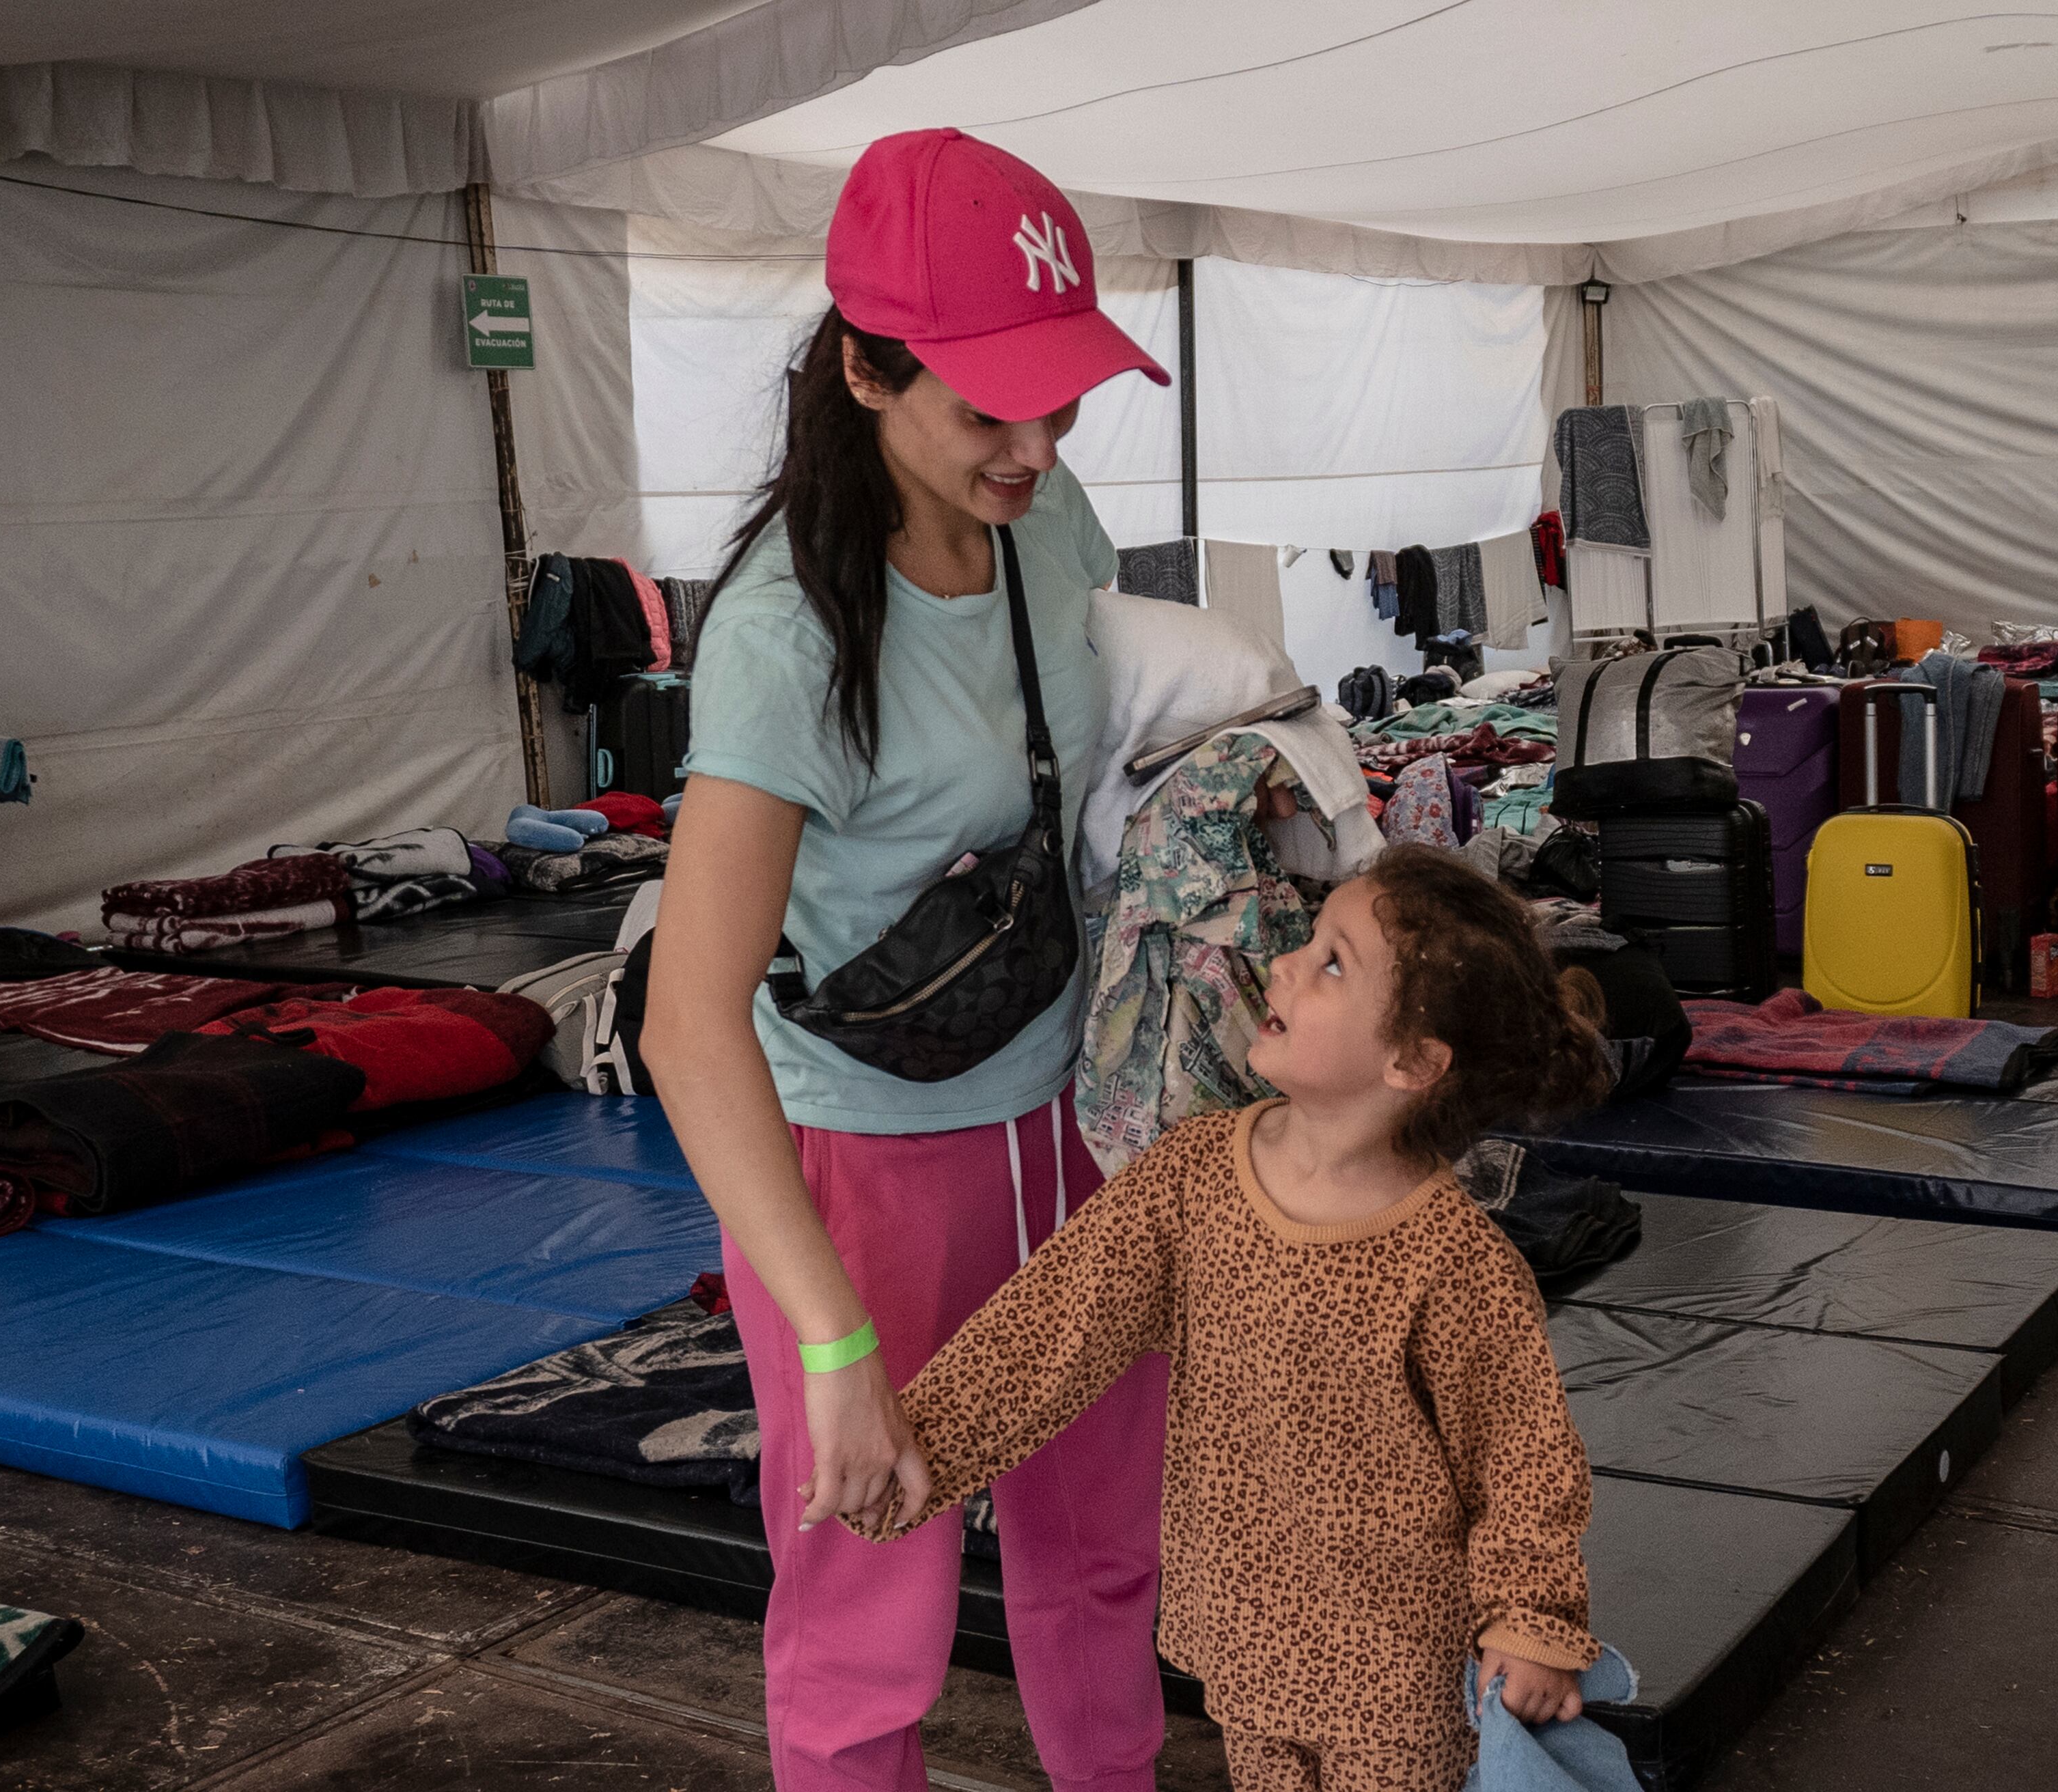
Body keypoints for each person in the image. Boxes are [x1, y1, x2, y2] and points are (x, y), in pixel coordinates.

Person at [645, 128, 1175, 1791]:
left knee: (1103, 1546)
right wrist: (830, 1338)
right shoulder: (782, 636)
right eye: (987, 409)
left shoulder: (1051, 513)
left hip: (1075, 1123)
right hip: (870, 1165)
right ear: (868, 369)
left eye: (1061, 402)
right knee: (872, 1577)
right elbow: (684, 1021)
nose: (1035, 446)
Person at [859, 846, 1613, 1792]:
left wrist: (1531, 1621)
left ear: (1414, 1062)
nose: (1289, 960)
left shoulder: (1456, 1267)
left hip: (1400, 1678)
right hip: (1247, 1652)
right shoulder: (1196, 1175)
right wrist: (914, 1447)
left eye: (1334, 960)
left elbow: (1525, 1461)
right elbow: (1053, 1325)